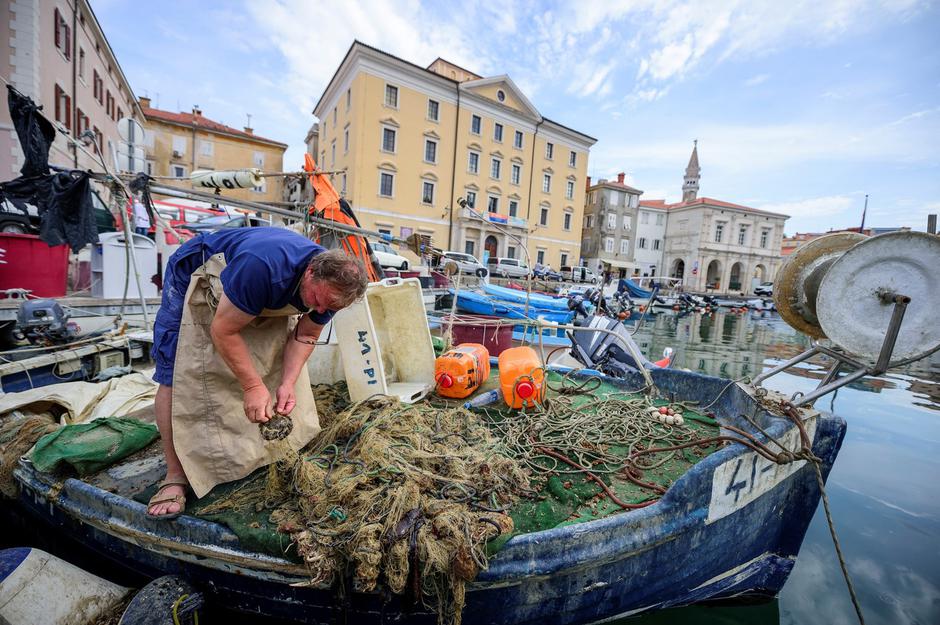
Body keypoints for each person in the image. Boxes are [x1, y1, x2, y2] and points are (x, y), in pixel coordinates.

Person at [147, 227, 368, 519]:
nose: (319, 308)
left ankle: (252, 451)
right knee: (175, 370)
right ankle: (174, 476)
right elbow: (223, 330)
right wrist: (252, 386)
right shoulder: (263, 266)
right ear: (310, 272)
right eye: (316, 299)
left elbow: (306, 335)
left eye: (329, 307)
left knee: (271, 364)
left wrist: (287, 383)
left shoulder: (331, 292)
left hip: (256, 289)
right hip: (197, 273)